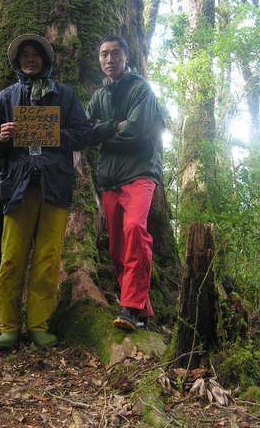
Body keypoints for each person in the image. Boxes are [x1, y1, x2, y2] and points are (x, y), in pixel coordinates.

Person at [0, 34, 91, 349]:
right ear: (17, 61)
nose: (29, 59)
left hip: (54, 185)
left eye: (35, 55)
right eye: (24, 55)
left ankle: (38, 324)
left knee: (48, 257)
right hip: (17, 186)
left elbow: (83, 134)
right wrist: (0, 138)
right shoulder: (4, 99)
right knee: (12, 258)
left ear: (45, 60)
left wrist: (56, 133)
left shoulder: (65, 96)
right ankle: (9, 326)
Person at [86, 35, 163, 331]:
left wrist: (103, 134)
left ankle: (129, 306)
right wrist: (111, 127)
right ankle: (141, 307)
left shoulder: (141, 88)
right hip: (110, 178)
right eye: (104, 54)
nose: (109, 59)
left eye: (115, 54)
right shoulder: (99, 96)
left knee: (135, 231)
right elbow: (85, 130)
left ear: (126, 57)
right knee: (118, 246)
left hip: (140, 172)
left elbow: (137, 132)